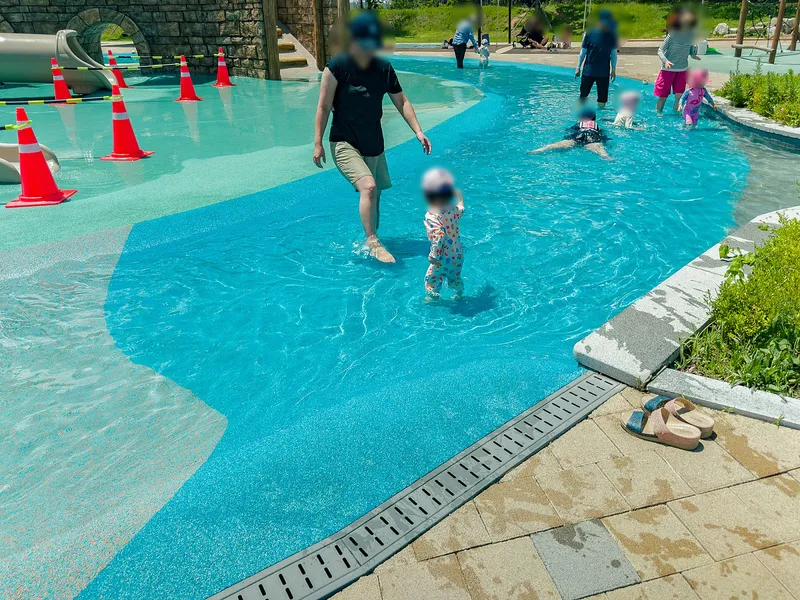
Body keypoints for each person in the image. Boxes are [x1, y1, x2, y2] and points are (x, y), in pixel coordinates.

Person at [313, 12, 432, 263]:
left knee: (375, 196)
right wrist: (317, 143)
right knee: (368, 186)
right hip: (344, 141)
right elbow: (323, 107)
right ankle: (373, 242)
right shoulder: (336, 68)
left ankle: (371, 240)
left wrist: (418, 132)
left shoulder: (383, 68)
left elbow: (402, 101)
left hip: (374, 144)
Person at [422, 167, 464, 300]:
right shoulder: (453, 209)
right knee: (455, 278)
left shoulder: (431, 215)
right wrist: (460, 197)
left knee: (431, 279)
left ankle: (433, 299)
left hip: (442, 257)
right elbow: (462, 209)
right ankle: (458, 295)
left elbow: (439, 236)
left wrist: (433, 255)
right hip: (457, 254)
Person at [655, 8, 700, 115]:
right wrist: (666, 61)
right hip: (668, 70)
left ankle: (676, 115)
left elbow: (689, 47)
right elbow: (660, 50)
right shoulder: (672, 35)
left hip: (682, 69)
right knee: (663, 96)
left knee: (679, 97)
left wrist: (692, 54)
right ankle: (659, 114)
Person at [529, 107, 612, 160]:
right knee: (599, 149)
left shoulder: (579, 123)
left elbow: (570, 131)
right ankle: (606, 156)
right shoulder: (596, 125)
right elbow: (602, 134)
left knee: (564, 143)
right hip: (592, 135)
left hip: (580, 134)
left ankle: (542, 149)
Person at [575, 9, 618, 108]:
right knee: (583, 96)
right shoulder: (590, 34)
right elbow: (583, 52)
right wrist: (578, 68)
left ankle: (601, 115)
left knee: (602, 99)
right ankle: (580, 113)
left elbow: (614, 54)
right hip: (588, 71)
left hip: (603, 73)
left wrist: (613, 70)